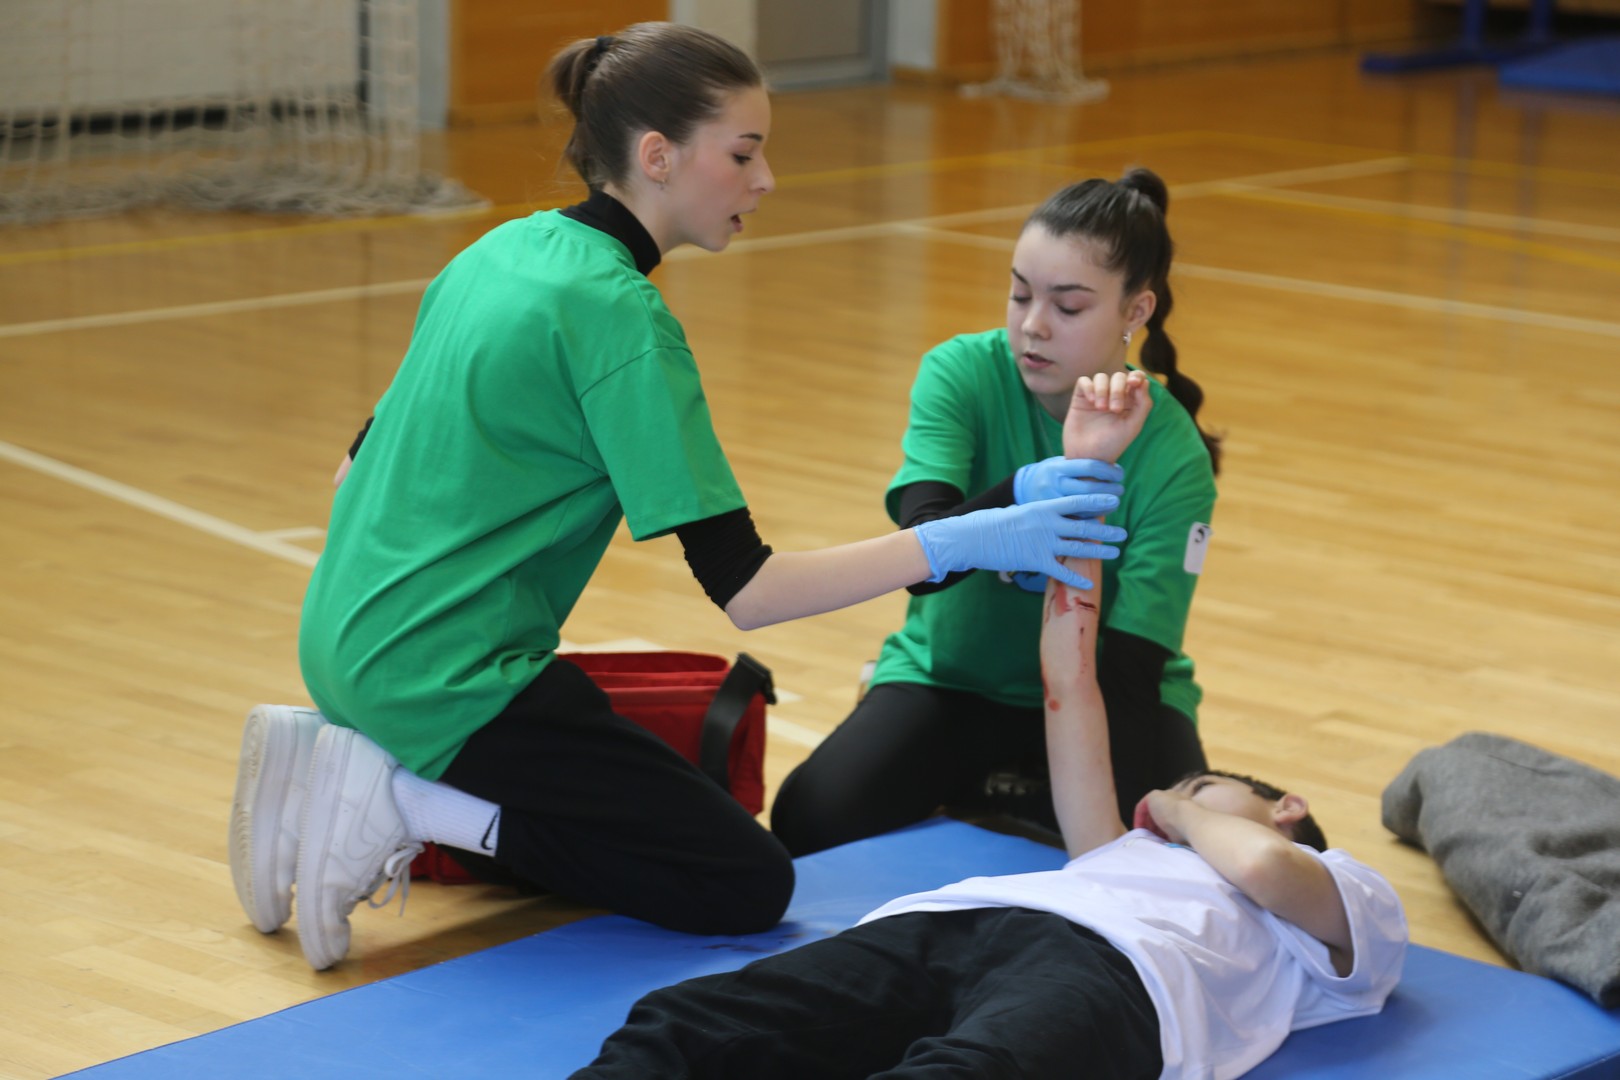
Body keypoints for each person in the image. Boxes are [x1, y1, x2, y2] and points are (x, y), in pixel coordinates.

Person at [226, 22, 1128, 972]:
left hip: (339, 637)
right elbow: (751, 589)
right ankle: (402, 798)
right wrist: (972, 540)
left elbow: (356, 462)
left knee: (631, 789)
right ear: (657, 157)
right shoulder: (622, 320)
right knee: (743, 882)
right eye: (743, 153)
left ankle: (364, 756)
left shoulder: (505, 249)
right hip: (442, 683)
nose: (765, 179)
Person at [571, 372, 1407, 1080]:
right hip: (959, 925)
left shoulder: (1343, 901)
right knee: (688, 1025)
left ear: (1289, 805)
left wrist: (1179, 811)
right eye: (1189, 788)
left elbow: (1263, 865)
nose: (1176, 797)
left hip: (1122, 975)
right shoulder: (1118, 849)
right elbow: (1069, 683)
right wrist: (1088, 466)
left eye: (1201, 786)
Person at [772, 167, 1219, 856]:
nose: (1032, 326)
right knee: (811, 817)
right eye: (1019, 293)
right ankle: (999, 778)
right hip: (956, 681)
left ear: (1136, 313)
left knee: (1157, 842)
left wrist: (1121, 833)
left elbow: (1131, 669)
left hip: (1102, 694)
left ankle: (1002, 783)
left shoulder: (1173, 452)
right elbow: (923, 562)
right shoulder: (961, 374)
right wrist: (1020, 494)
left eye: (1067, 308)